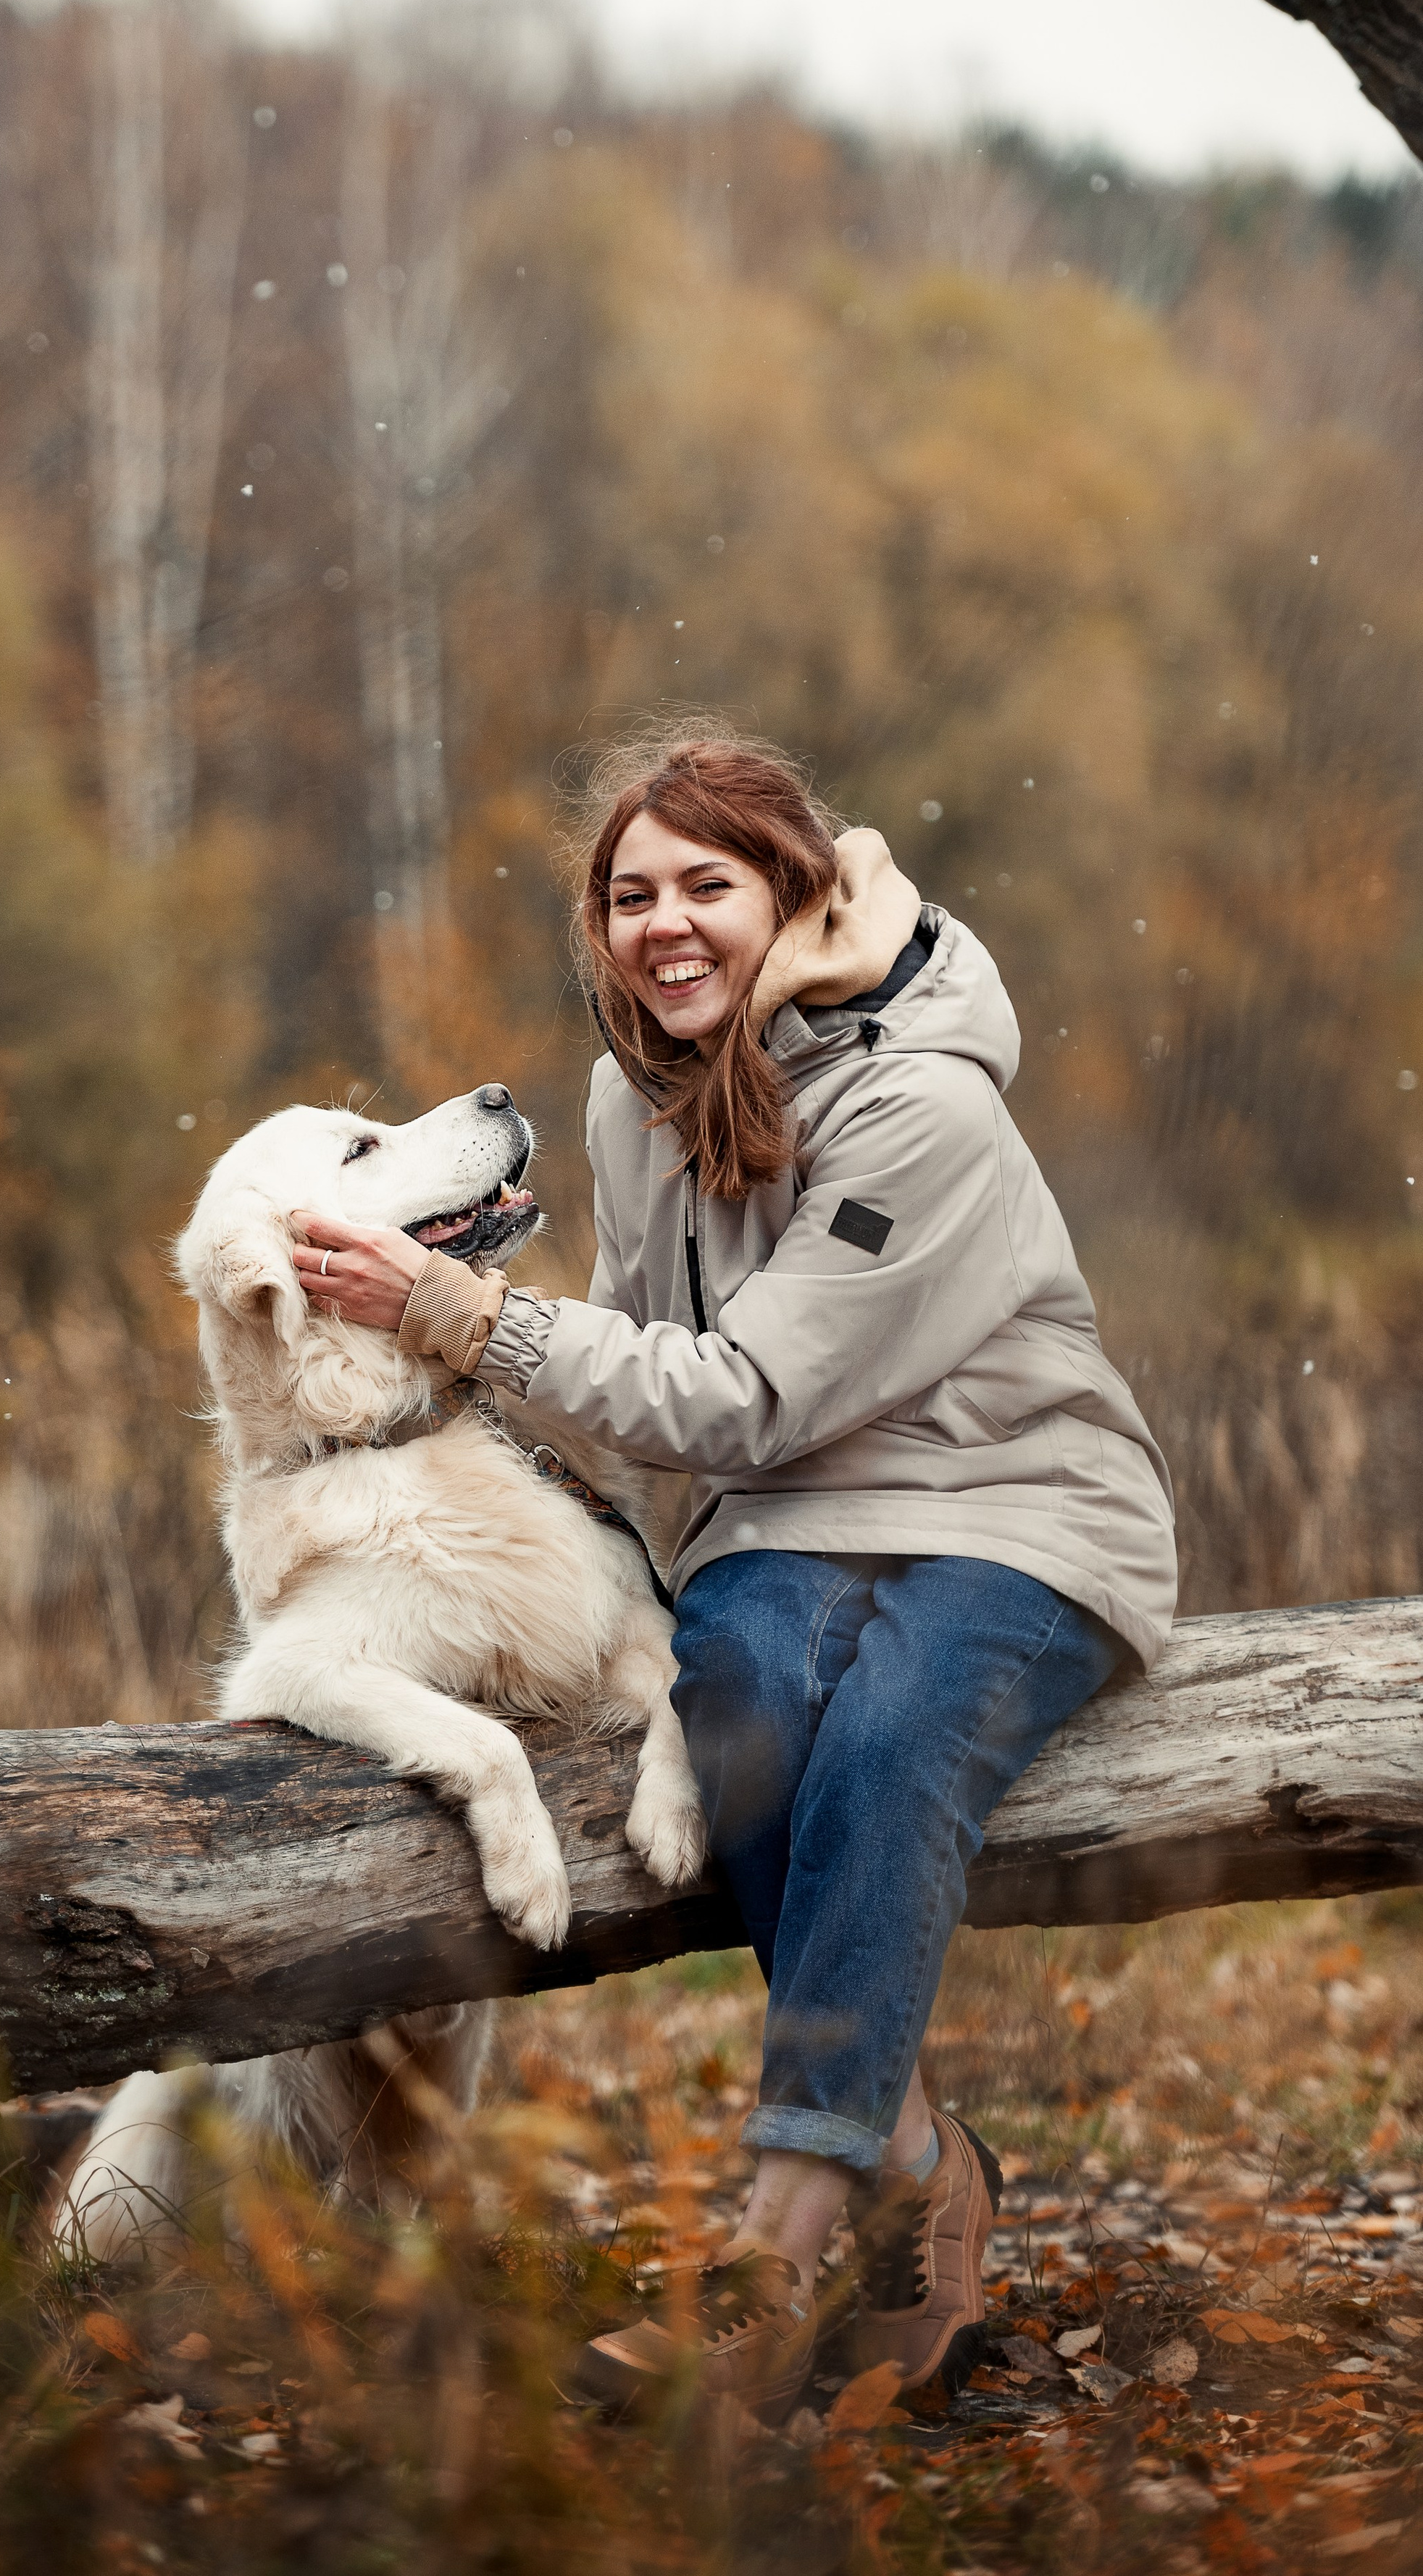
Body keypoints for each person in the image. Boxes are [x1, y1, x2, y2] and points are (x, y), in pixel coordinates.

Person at [291, 729, 1176, 2422]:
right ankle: (919, 2150)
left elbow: (746, 1393)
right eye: (629, 894)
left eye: (709, 885)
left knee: (898, 1723)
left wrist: (462, 1316)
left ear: (796, 897)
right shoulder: (633, 1100)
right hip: (779, 1521)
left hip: (1014, 1511)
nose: (663, 924)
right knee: (749, 1699)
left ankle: (775, 2253)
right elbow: (661, 1384)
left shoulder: (919, 1103)